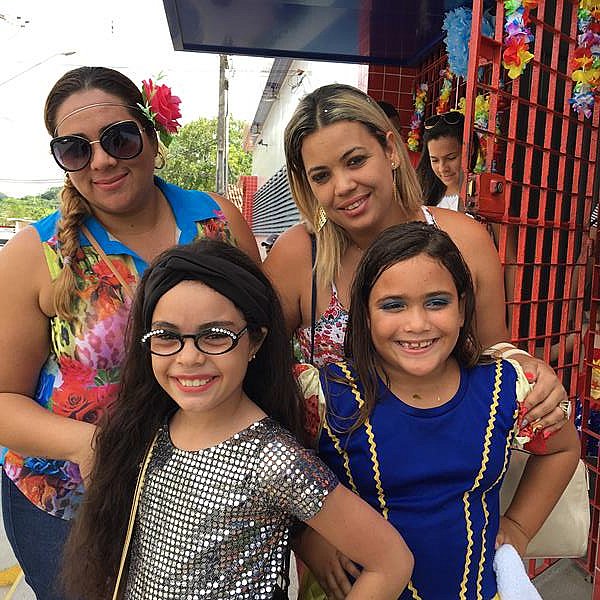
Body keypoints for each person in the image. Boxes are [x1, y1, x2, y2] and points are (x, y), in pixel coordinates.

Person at [0, 66, 260, 600]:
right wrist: (90, 445)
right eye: (76, 150)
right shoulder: (37, 255)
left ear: (153, 137)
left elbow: (261, 343)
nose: (101, 160)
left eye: (118, 138)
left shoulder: (219, 223)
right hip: (73, 501)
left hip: (209, 490)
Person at [61, 240, 413, 600]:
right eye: (166, 337)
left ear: (255, 341)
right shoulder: (145, 431)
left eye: (216, 336)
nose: (189, 358)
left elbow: (390, 561)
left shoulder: (276, 461)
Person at [294, 222, 580, 599]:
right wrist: (306, 536)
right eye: (393, 305)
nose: (417, 324)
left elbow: (562, 448)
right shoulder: (323, 397)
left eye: (436, 302)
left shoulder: (507, 388)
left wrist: (520, 526)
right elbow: (267, 476)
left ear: (462, 308)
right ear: (365, 314)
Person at [264, 83, 568, 431]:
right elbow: (256, 358)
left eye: (356, 161)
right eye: (322, 176)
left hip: (450, 453)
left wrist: (529, 372)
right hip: (332, 460)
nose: (343, 185)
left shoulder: (465, 239)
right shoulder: (299, 254)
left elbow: (492, 350)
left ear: (390, 150)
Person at [415, 110, 479, 211]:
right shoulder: (422, 193)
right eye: (435, 160)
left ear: (470, 150)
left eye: (451, 158)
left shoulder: (481, 195)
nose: (442, 168)